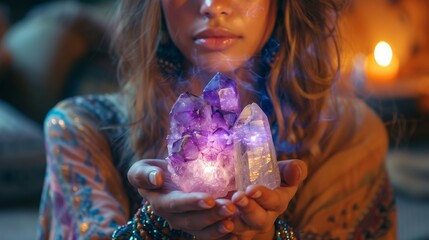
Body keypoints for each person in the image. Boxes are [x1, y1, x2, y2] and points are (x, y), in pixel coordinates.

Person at [37, 0, 397, 239]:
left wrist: (269, 235)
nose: (212, 5)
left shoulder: (348, 134)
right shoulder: (83, 128)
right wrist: (153, 227)